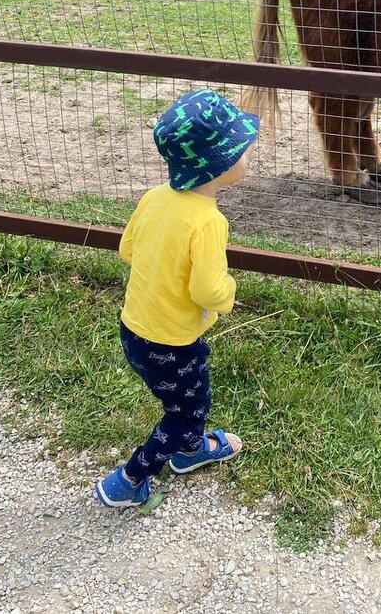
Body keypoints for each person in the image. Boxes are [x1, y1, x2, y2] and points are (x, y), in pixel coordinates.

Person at [96, 88, 259, 507]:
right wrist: (228, 295)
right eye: (242, 149)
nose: (248, 156)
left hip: (134, 329)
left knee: (184, 398)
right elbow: (206, 289)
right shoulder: (208, 222)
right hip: (172, 343)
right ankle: (131, 479)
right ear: (218, 163)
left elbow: (127, 250)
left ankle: (189, 453)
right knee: (185, 413)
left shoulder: (154, 199)